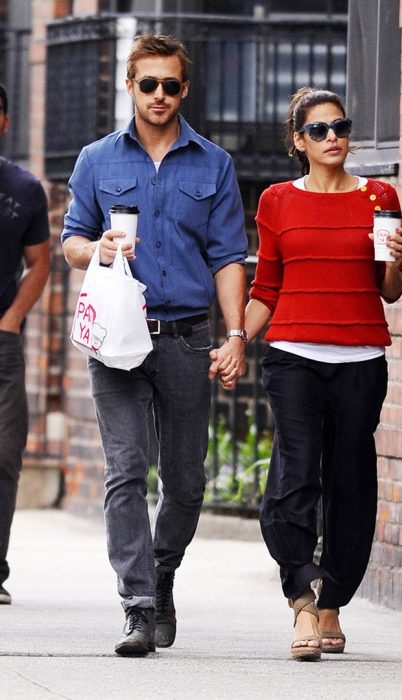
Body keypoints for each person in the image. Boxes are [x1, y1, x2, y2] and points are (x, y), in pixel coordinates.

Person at [61, 34, 248, 656]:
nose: (160, 95)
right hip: (118, 340)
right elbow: (71, 243)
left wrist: (237, 334)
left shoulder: (214, 164)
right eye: (149, 84)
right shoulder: (96, 160)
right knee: (124, 469)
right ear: (130, 86)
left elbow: (226, 258)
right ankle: (139, 604)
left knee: (187, 481)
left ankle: (162, 570)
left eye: (171, 85)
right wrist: (99, 250)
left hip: (189, 337)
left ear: (184, 89)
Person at [240, 87, 402, 660]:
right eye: (319, 130)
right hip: (292, 358)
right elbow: (267, 289)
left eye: (340, 126)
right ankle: (303, 603)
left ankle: (333, 600)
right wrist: (237, 338)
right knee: (294, 477)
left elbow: (390, 291)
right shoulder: (277, 201)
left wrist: (396, 260)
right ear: (299, 142)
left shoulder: (379, 196)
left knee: (351, 483)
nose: (332, 136)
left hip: (361, 359)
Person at [0, 83, 50, 605]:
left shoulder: (23, 187)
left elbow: (40, 263)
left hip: (2, 341)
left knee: (5, 453)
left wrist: (13, 318)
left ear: (5, 121)